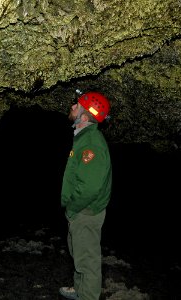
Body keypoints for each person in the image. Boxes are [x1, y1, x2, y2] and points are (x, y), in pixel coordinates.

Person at [59, 91, 112, 300]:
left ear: (83, 116)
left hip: (85, 211)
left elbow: (90, 187)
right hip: (82, 209)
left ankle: (88, 296)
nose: (72, 106)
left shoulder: (91, 143)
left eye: (76, 105)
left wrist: (72, 207)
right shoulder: (84, 137)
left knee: (87, 259)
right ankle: (80, 290)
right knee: (78, 252)